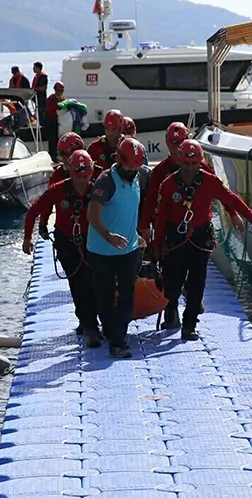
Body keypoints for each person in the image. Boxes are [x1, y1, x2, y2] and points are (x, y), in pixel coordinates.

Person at [154, 139, 252, 340]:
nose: (189, 168)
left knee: (197, 284)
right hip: (175, 239)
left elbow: (231, 199)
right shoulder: (168, 185)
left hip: (200, 239)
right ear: (178, 161)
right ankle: (171, 313)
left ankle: (189, 326)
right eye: (185, 163)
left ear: (200, 162)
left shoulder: (210, 182)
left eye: (194, 163)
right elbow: (160, 219)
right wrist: (157, 247)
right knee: (173, 281)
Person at [22, 150, 103, 347]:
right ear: (71, 173)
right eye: (78, 176)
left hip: (91, 241)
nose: (83, 181)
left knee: (94, 283)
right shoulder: (57, 190)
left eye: (86, 176)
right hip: (67, 242)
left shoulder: (98, 190)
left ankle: (91, 322)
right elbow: (33, 211)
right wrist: (27, 238)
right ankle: (88, 325)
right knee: (77, 284)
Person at [87, 138, 150, 358]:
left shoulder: (138, 177)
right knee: (104, 295)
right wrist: (107, 235)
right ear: (118, 159)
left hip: (128, 249)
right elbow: (92, 213)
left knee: (127, 295)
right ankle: (112, 332)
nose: (133, 171)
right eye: (129, 166)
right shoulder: (106, 181)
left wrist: (135, 236)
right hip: (102, 250)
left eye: (136, 167)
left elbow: (128, 211)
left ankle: (118, 340)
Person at [140, 121, 230, 242]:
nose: (175, 147)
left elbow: (222, 192)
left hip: (199, 229)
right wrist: (145, 226)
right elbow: (150, 199)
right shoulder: (160, 171)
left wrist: (233, 213)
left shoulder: (202, 166)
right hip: (172, 230)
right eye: (172, 142)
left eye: (178, 142)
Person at [43, 80, 66, 155]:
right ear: (55, 90)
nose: (60, 92)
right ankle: (52, 155)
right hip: (50, 120)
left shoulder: (62, 99)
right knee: (52, 139)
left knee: (57, 139)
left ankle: (58, 154)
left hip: (58, 121)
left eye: (62, 90)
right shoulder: (51, 98)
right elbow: (56, 107)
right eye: (59, 90)